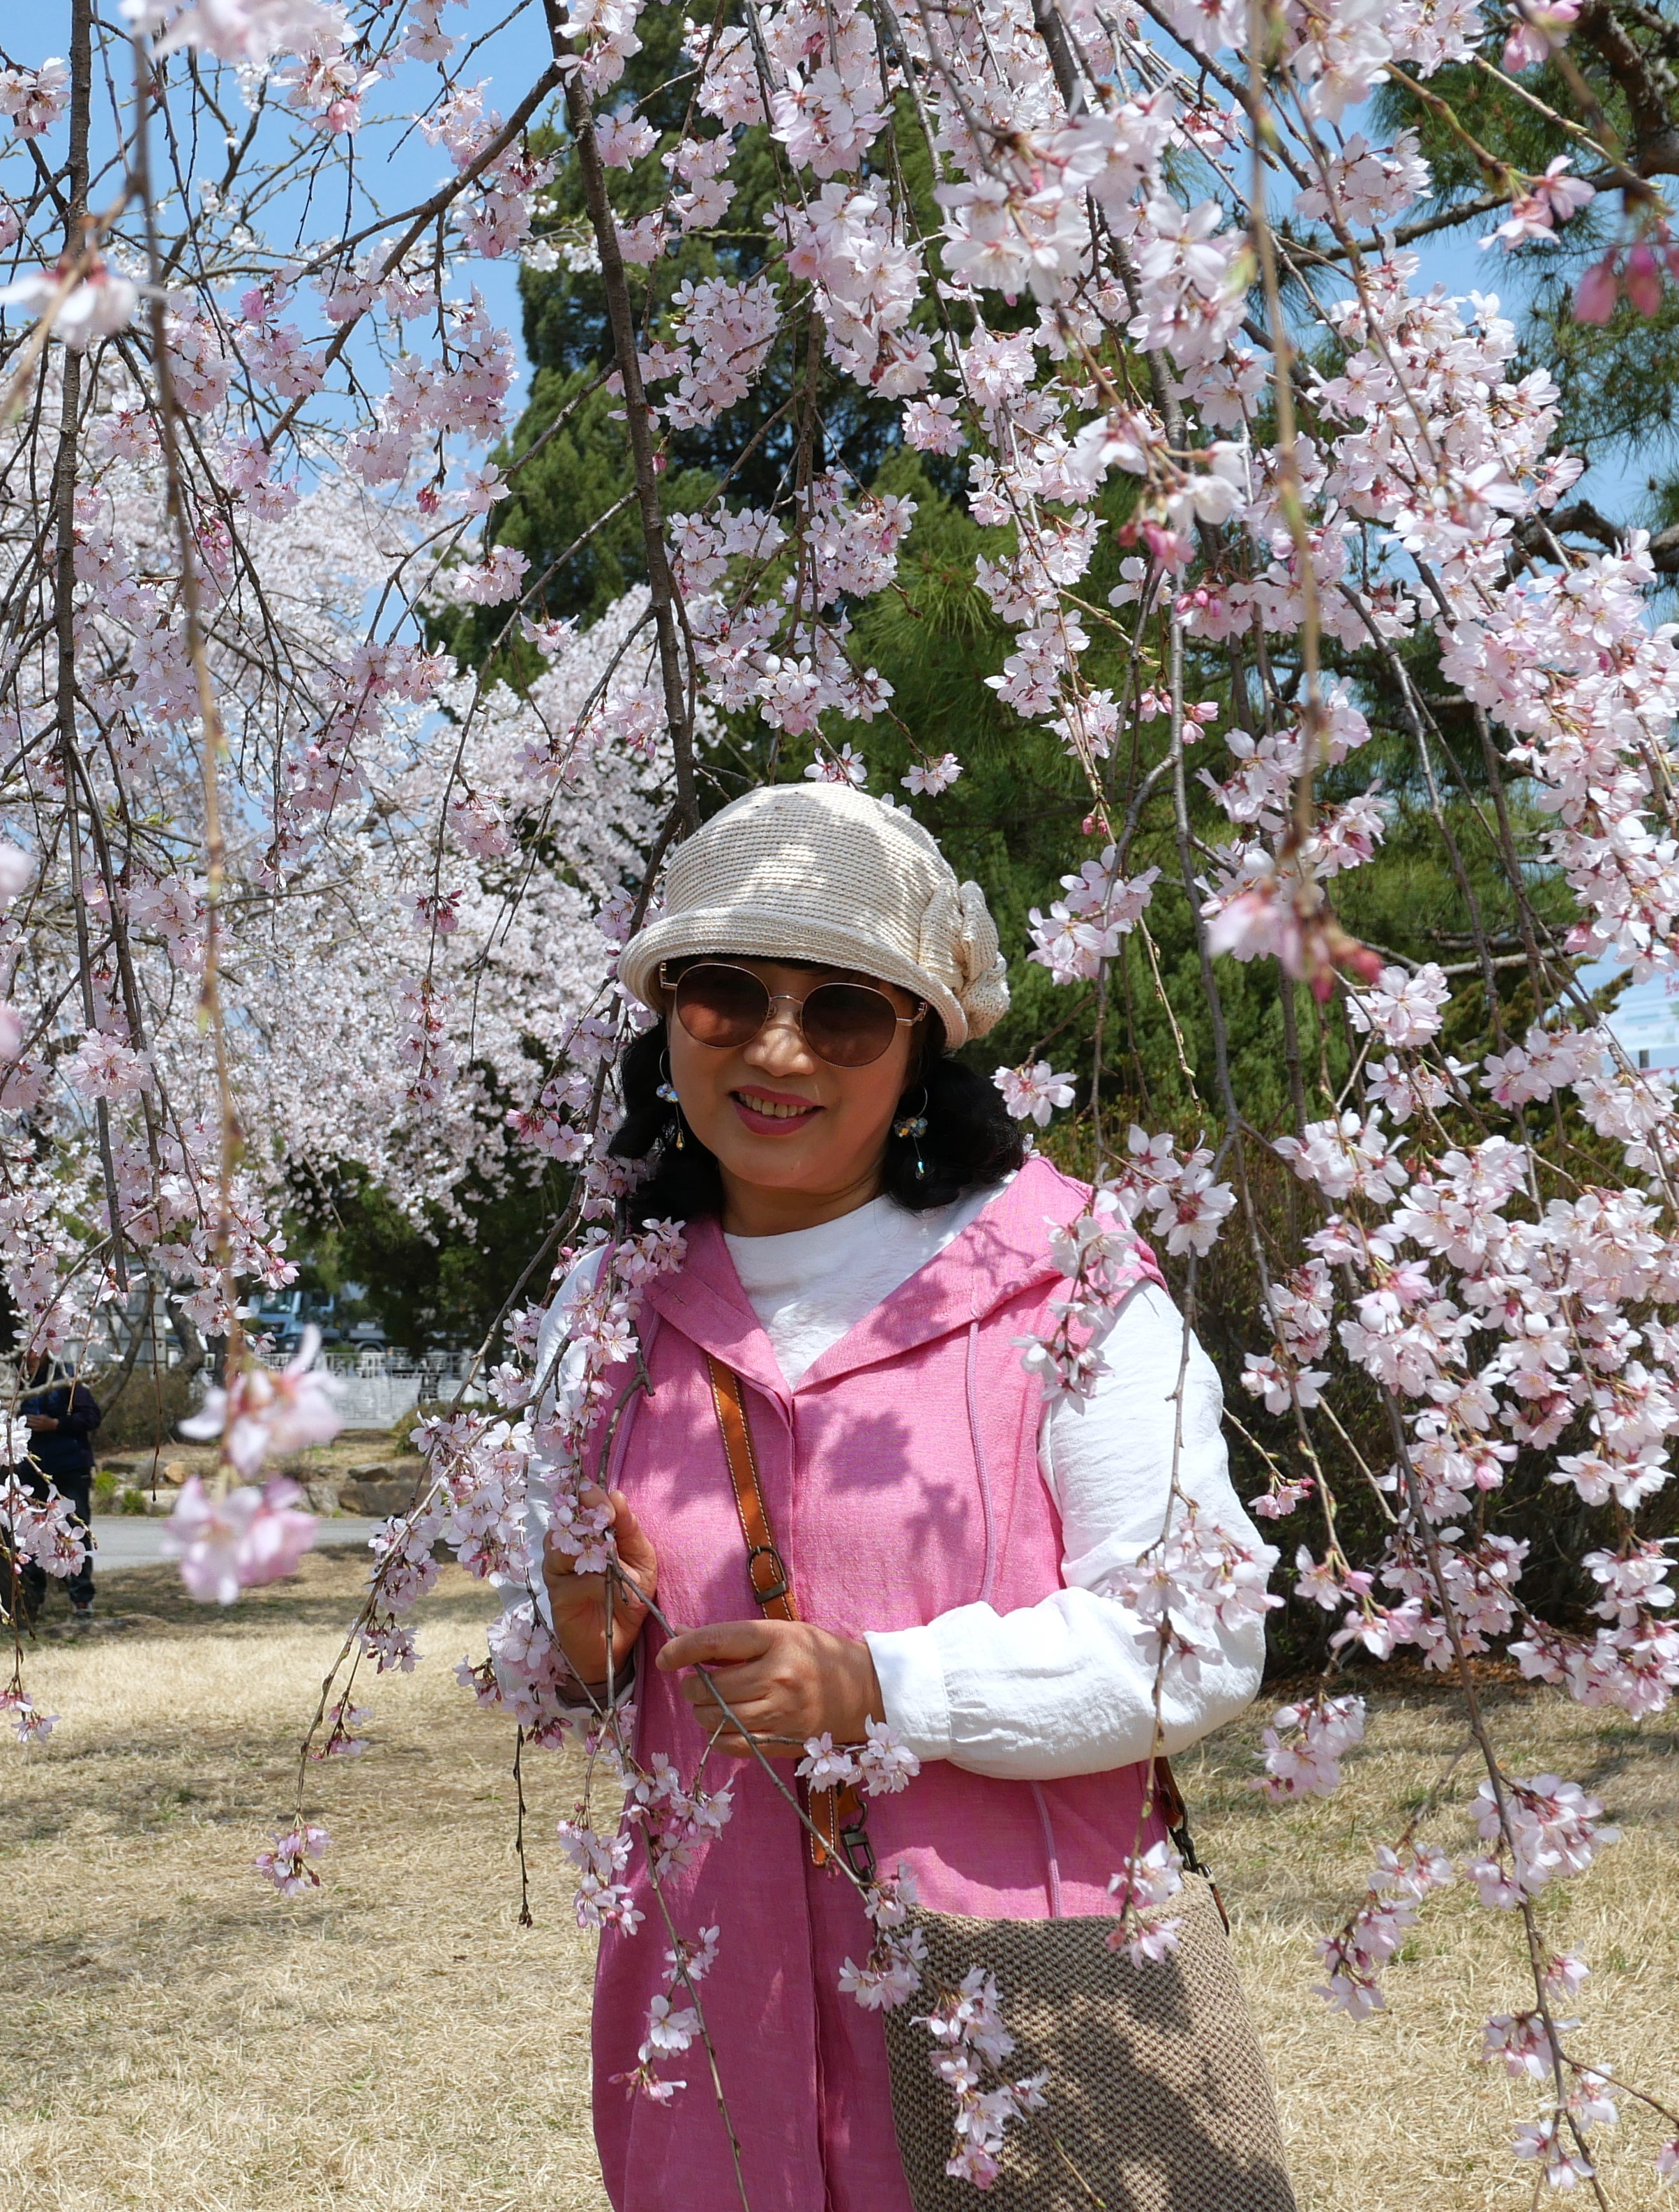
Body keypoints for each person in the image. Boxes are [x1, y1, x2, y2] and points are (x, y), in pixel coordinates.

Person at [528, 783, 1269, 2211]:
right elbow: (575, 1663)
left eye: (844, 1011)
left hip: (1025, 1993)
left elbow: (1195, 1633)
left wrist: (881, 1685)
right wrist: (578, 1632)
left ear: (921, 1039)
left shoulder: (1064, 1279)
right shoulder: (604, 1310)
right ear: (665, 1017)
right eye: (724, 994)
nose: (777, 1048)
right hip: (716, 2018)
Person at [14, 1362, 104, 1618]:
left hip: (70, 1467)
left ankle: (81, 1597)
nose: (32, 1352)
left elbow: (92, 1417)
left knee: (76, 1529)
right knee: (30, 1532)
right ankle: (33, 1595)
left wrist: (56, 1424)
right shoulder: (12, 1377)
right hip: (31, 1470)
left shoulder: (66, 1375)